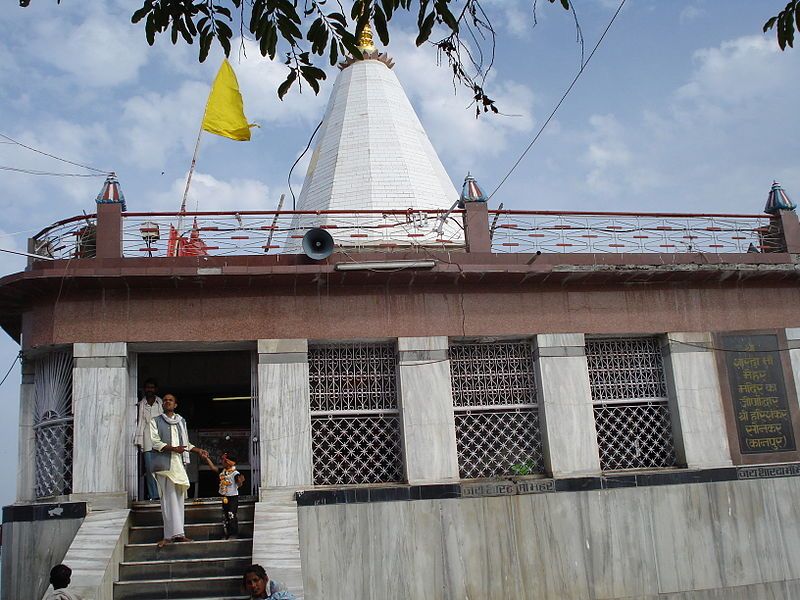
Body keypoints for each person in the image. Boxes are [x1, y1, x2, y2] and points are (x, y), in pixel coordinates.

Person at [149, 393, 208, 548]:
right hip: (164, 466)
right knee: (167, 500)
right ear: (163, 404)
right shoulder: (155, 421)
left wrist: (197, 450)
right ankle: (168, 536)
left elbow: (185, 443)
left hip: (179, 464)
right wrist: (173, 448)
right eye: (165, 400)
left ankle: (179, 534)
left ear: (175, 404)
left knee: (179, 499)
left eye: (171, 400)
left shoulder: (181, 421)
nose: (168, 402)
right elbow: (155, 443)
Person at [203, 451, 245, 538]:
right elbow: (213, 468)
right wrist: (207, 459)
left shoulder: (235, 473)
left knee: (231, 514)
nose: (221, 462)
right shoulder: (224, 472)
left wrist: (241, 481)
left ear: (228, 462)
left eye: (223, 460)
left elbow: (239, 483)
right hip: (225, 497)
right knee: (226, 515)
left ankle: (234, 533)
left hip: (233, 498)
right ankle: (228, 533)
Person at [134, 378, 163, 501]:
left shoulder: (161, 403)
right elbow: (139, 423)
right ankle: (153, 495)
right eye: (148, 387)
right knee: (150, 470)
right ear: (144, 389)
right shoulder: (141, 405)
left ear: (156, 389)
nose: (150, 390)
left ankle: (162, 495)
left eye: (152, 387)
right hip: (146, 440)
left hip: (160, 441)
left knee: (161, 470)